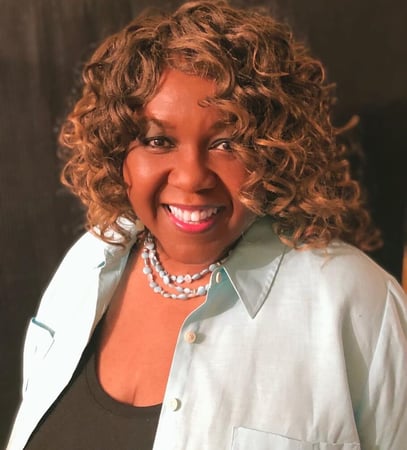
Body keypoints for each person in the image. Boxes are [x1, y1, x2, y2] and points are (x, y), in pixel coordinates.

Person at [7, 1, 407, 449]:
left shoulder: (354, 301)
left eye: (227, 143)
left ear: (273, 152)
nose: (192, 177)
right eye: (158, 140)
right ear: (118, 152)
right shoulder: (88, 263)